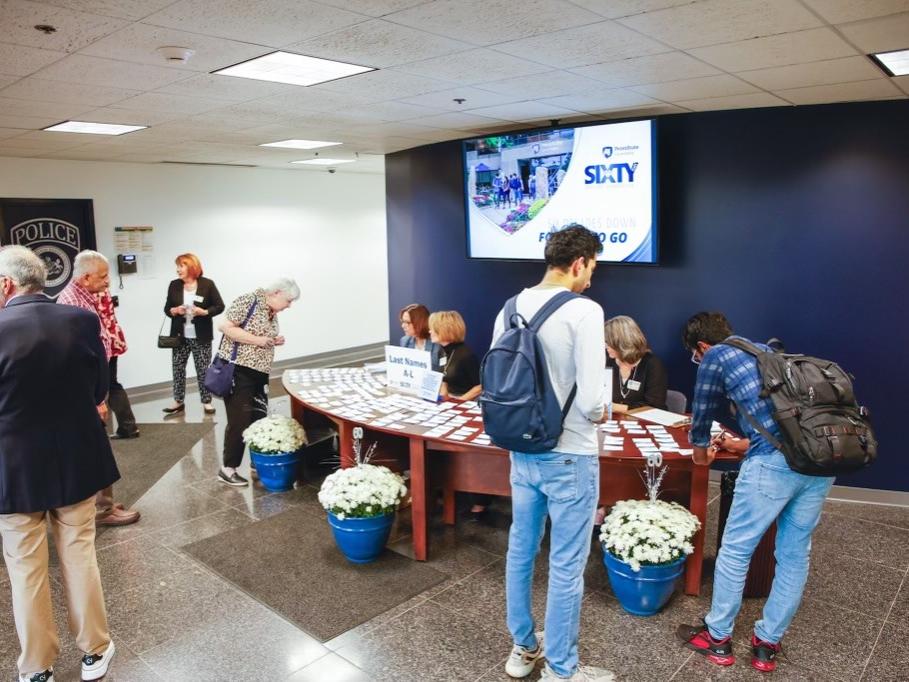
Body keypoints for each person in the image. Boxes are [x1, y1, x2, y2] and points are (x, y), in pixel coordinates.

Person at [676, 312, 835, 673]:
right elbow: (785, 422)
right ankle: (766, 645)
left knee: (735, 550)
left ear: (702, 346)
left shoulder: (715, 356)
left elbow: (701, 414)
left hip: (773, 468)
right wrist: (744, 443)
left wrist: (701, 455)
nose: (698, 361)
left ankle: (717, 640)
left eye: (695, 355)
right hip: (819, 462)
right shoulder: (767, 353)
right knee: (794, 556)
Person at [492, 224, 613, 681]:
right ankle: (563, 670)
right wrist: (601, 413)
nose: (591, 278)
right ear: (578, 262)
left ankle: (524, 649)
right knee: (566, 566)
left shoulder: (508, 308)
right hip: (571, 455)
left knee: (521, 550)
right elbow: (589, 401)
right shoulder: (584, 310)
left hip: (521, 452)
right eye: (592, 267)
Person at [0, 246, 118, 682]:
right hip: (76, 458)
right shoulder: (82, 320)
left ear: (5, 284)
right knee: (80, 553)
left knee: (25, 567)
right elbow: (98, 388)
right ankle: (94, 652)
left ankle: (37, 668)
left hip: (13, 469)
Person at [57, 251, 140, 527]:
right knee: (97, 448)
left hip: (96, 385)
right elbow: (77, 358)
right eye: (103, 276)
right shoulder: (70, 303)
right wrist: (95, 397)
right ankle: (102, 510)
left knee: (99, 447)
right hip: (88, 391)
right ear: (85, 277)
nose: (108, 281)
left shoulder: (89, 295)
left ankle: (102, 504)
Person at [217, 278, 300, 487]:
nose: (289, 306)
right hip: (238, 370)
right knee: (239, 420)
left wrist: (273, 340)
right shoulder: (249, 300)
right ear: (277, 293)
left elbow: (262, 335)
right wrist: (258, 340)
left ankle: (257, 461)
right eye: (288, 301)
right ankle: (228, 469)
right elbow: (225, 326)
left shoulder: (271, 310)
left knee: (258, 418)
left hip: (259, 372)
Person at [162, 253, 225, 415]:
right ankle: (178, 401)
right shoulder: (174, 285)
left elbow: (219, 306)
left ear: (191, 267)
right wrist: (175, 310)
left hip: (201, 335)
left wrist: (204, 312)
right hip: (179, 336)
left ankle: (206, 401)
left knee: (203, 369)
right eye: (177, 266)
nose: (178, 270)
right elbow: (167, 308)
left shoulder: (207, 284)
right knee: (178, 368)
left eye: (181, 266)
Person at [604, 315, 668, 412]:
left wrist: (616, 408)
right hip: (612, 423)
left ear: (622, 343)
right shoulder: (607, 362)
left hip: (646, 423)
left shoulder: (652, 364)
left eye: (609, 343)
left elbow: (655, 405)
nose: (606, 347)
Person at [428, 310, 481, 402]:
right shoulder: (442, 351)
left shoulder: (466, 355)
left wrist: (458, 402)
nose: (430, 331)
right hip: (449, 400)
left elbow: (480, 387)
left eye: (433, 328)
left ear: (445, 329)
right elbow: (444, 377)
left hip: (465, 401)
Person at [398, 303, 441, 371]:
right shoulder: (404, 341)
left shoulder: (437, 343)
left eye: (407, 322)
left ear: (420, 322)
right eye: (402, 322)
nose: (403, 326)